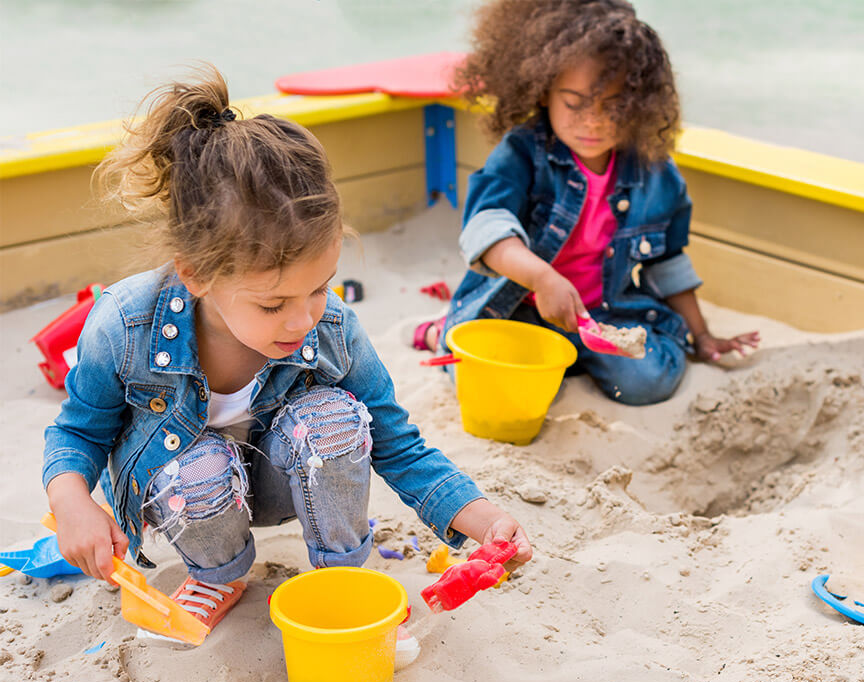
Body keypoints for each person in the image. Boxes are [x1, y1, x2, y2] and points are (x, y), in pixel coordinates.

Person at [43, 66, 532, 632]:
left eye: (320, 288)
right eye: (273, 305)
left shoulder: (331, 328)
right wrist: (74, 503)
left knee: (334, 418)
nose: (303, 320)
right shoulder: (125, 325)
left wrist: (483, 517)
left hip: (285, 480)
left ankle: (342, 571)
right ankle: (219, 573)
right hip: (186, 493)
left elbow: (398, 443)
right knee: (199, 468)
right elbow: (78, 431)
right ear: (197, 275)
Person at [413, 0, 759, 405]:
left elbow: (669, 262)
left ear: (639, 104)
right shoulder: (523, 154)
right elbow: (486, 230)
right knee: (490, 384)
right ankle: (441, 330)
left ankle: (572, 355)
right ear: (543, 91)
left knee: (652, 382)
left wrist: (701, 336)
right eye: (574, 103)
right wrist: (543, 279)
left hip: (602, 313)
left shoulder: (655, 173)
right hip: (518, 309)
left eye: (612, 107)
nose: (592, 121)